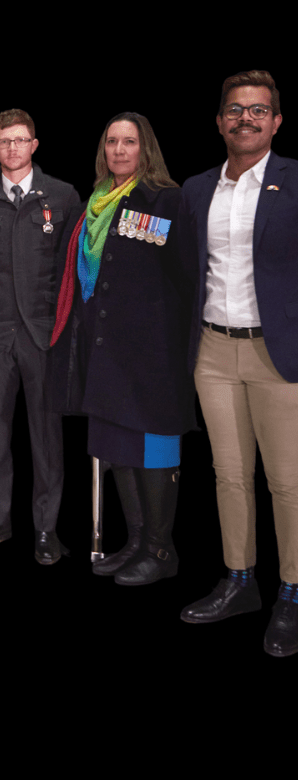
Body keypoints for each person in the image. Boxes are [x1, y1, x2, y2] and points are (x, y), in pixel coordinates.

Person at [178, 70, 298, 658]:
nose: (244, 118)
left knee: (288, 484)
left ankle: (292, 594)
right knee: (229, 477)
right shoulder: (198, 188)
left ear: (275, 121)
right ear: (220, 121)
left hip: (279, 355)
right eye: (233, 109)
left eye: (257, 109)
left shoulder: (294, 181)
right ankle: (240, 581)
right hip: (213, 352)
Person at [50, 112, 194, 585]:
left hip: (151, 357)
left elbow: (186, 277)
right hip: (104, 352)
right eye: (111, 141)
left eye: (129, 142)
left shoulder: (164, 200)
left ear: (145, 148)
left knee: (152, 450)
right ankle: (135, 543)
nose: (119, 150)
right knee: (118, 449)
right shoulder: (92, 204)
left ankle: (160, 549)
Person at [0, 109, 79, 562]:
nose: (12, 148)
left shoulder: (64, 196)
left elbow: (68, 269)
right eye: (4, 141)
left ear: (35, 144)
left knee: (47, 435)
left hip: (43, 333)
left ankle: (46, 530)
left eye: (20, 139)